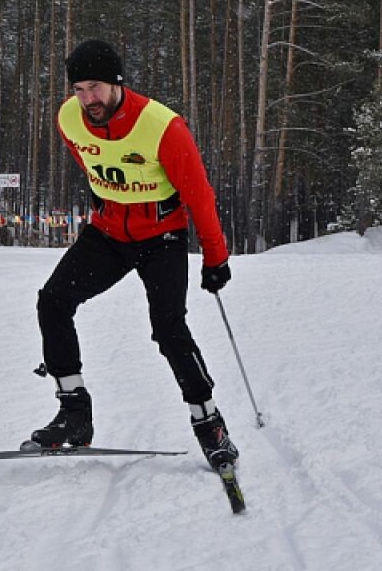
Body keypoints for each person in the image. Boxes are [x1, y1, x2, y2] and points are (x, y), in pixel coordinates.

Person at [29, 39, 238, 469]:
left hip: (162, 236)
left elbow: (199, 197)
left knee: (168, 327)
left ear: (117, 83)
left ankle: (210, 423)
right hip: (108, 232)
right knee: (53, 301)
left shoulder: (162, 127)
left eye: (95, 87)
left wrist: (215, 258)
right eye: (79, 89)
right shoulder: (70, 119)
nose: (88, 99)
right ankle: (74, 414)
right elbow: (89, 163)